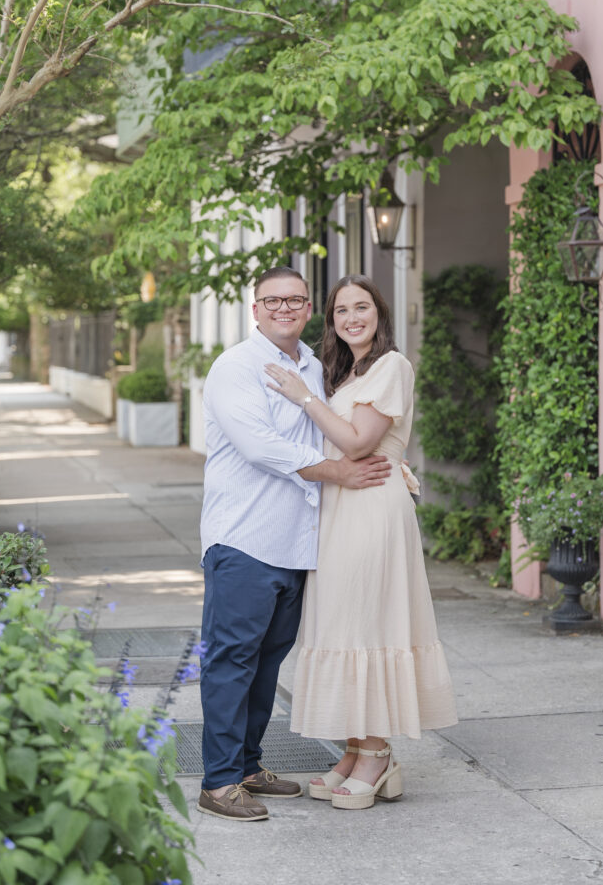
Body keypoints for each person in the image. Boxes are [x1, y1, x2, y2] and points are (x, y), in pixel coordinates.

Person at [197, 267, 392, 822]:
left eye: (296, 299)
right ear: (254, 308)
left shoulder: (313, 366)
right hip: (245, 538)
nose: (284, 307)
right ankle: (218, 781)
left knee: (267, 661)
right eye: (272, 300)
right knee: (232, 659)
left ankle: (250, 766)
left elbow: (339, 424)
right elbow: (261, 446)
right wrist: (337, 472)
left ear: (309, 309)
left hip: (297, 542)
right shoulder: (235, 366)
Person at [265, 274, 458, 811]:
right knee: (343, 621)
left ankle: (377, 751)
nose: (352, 318)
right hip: (340, 509)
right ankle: (355, 748)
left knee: (368, 620)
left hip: (371, 508)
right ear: (331, 321)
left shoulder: (392, 366)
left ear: (380, 314)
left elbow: (356, 443)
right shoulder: (348, 373)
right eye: (341, 310)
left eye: (362, 307)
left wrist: (304, 397)